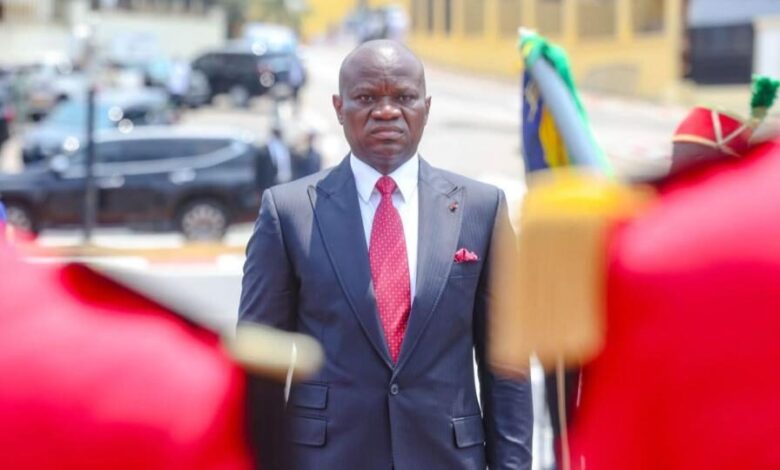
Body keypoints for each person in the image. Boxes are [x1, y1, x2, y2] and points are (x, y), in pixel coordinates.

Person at [239, 40, 533, 469]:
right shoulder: (289, 213)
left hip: (447, 457)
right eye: (366, 98)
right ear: (339, 108)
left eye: (404, 97)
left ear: (426, 109)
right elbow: (259, 364)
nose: (387, 111)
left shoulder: (481, 210)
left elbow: (507, 366)